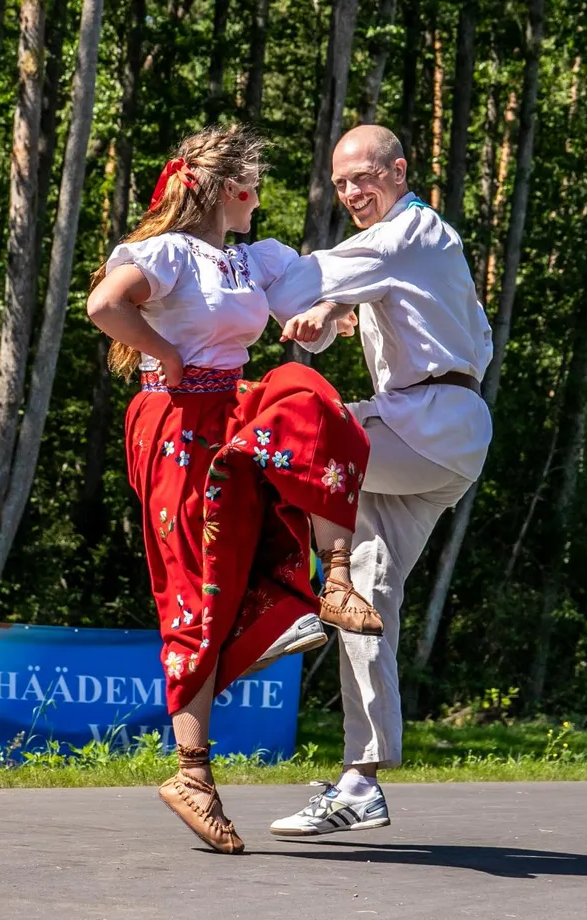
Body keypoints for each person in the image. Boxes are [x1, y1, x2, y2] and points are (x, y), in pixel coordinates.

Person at [85, 125, 377, 855]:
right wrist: (167, 354)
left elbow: (312, 314)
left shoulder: (253, 262)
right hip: (177, 422)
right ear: (228, 191)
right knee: (199, 589)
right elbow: (104, 306)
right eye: (254, 188)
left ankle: (334, 579)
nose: (261, 202)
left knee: (310, 396)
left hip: (229, 415)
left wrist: (332, 317)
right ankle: (191, 773)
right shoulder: (171, 254)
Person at [263, 125, 494, 837]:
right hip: (434, 444)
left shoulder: (408, 234)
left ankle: (285, 598)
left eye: (364, 178)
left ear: (398, 172)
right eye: (339, 184)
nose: (352, 194)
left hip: (427, 422)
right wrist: (321, 319)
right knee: (363, 597)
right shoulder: (407, 250)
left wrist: (226, 275)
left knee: (285, 432)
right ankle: (361, 782)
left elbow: (310, 276)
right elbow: (333, 307)